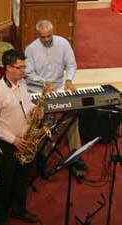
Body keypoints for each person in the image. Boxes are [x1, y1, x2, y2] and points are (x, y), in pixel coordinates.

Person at [0, 49, 42, 225]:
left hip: (24, 141)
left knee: (22, 178)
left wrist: (36, 110)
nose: (24, 70)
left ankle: (19, 210)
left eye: (24, 66)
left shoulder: (22, 84)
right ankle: (0, 217)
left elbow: (27, 104)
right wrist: (13, 140)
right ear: (8, 68)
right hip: (7, 144)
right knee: (5, 182)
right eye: (20, 67)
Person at [24, 19, 87, 172]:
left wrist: (69, 79)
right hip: (38, 89)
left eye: (48, 36)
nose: (46, 40)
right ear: (37, 35)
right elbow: (28, 73)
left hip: (58, 87)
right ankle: (42, 155)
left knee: (72, 115)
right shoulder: (30, 49)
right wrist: (44, 83)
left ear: (53, 32)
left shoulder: (63, 43)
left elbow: (71, 64)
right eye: (42, 37)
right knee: (41, 119)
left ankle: (75, 155)